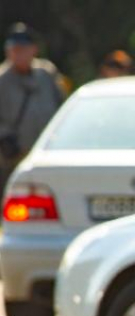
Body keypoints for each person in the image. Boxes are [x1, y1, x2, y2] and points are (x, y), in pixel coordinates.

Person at [0, 22, 65, 194]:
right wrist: (4, 137)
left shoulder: (46, 73)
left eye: (22, 49)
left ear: (33, 50)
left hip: (47, 150)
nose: (18, 53)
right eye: (14, 49)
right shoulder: (2, 80)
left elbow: (62, 106)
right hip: (14, 153)